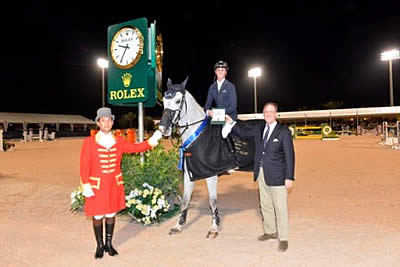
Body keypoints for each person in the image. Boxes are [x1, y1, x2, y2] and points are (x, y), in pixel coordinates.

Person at [80, 107, 162, 259]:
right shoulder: (89, 142)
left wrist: (151, 141)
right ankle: (99, 245)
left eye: (109, 120)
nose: (106, 123)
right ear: (98, 123)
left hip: (113, 185)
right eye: (102, 120)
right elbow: (84, 165)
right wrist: (86, 184)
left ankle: (109, 244)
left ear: (112, 122)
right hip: (96, 186)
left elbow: (136, 147)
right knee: (98, 215)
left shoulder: (119, 141)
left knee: (111, 213)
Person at [223, 102, 295, 252]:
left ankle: (283, 238)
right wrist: (231, 122)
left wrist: (289, 177)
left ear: (276, 114)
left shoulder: (284, 132)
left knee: (280, 208)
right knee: (265, 204)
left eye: (271, 111)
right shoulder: (259, 128)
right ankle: (270, 231)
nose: (268, 114)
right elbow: (243, 133)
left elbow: (290, 156)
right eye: (266, 111)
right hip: (261, 173)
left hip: (277, 175)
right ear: (263, 114)